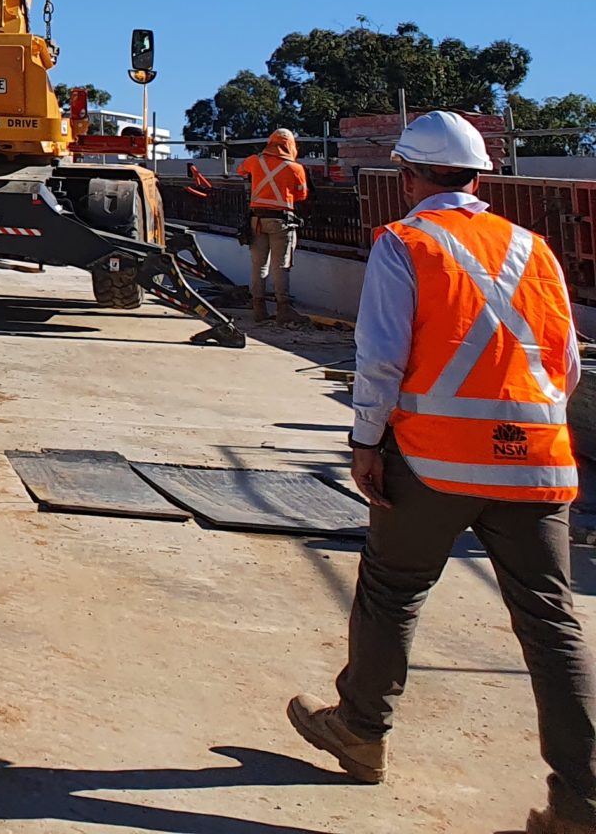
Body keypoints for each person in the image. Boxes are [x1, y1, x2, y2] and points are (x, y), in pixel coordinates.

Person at [289, 111, 591, 833]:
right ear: (481, 177)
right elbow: (568, 365)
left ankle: (361, 731)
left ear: (407, 177)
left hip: (432, 461)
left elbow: (382, 358)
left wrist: (366, 441)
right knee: (552, 625)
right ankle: (582, 801)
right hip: (539, 464)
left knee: (392, 592)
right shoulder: (534, 248)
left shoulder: (407, 243)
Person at [240, 128, 309, 324]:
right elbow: (302, 195)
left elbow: (241, 170)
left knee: (258, 264)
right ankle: (283, 309)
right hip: (282, 221)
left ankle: (258, 308)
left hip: (257, 221)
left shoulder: (255, 161)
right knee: (281, 265)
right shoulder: (295, 168)